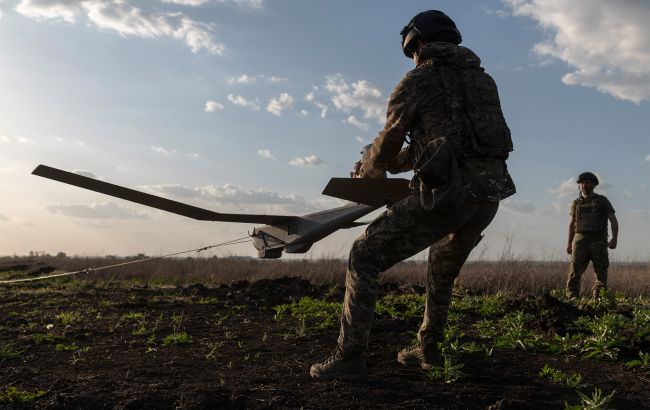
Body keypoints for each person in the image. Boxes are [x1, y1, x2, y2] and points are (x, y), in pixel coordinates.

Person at [310, 10, 515, 381]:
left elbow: (388, 145)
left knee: (365, 253)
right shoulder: (484, 83)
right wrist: (395, 164)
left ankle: (349, 356)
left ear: (418, 44)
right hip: (488, 197)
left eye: (412, 52)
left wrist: (368, 173)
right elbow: (445, 146)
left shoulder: (417, 81)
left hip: (446, 197)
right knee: (441, 267)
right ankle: (428, 348)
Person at [565, 172, 618, 299]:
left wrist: (614, 238)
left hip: (598, 241)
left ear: (594, 185)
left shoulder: (602, 201)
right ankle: (572, 299)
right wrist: (569, 243)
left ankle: (598, 300)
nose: (585, 185)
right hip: (580, 240)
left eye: (588, 182)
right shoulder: (576, 203)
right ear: (579, 186)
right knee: (574, 272)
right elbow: (572, 224)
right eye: (582, 183)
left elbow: (613, 220)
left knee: (601, 273)